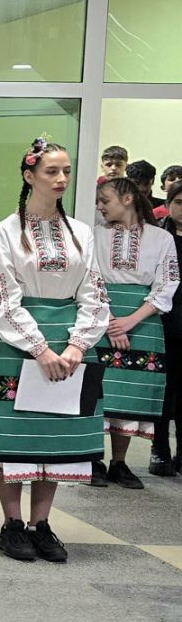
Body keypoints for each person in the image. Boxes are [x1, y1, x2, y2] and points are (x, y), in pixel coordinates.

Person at [0, 137, 110, 564]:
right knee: (16, 436)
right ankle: (12, 524)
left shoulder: (82, 233)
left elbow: (94, 293)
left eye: (66, 170)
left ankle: (42, 524)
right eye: (52, 171)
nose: (61, 178)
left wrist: (76, 345)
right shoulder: (4, 233)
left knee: (57, 434)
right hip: (19, 343)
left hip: (70, 344)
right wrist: (40, 348)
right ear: (29, 175)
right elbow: (2, 299)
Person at [87, 177, 176, 489]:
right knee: (99, 389)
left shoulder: (161, 238)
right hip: (101, 315)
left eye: (105, 200)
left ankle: (119, 462)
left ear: (127, 199)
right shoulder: (94, 235)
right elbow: (89, 278)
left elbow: (168, 282)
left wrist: (131, 321)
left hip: (143, 320)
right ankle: (93, 459)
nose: (100, 207)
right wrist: (111, 320)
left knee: (131, 392)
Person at [150, 181, 182, 477]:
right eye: (179, 202)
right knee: (164, 392)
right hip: (164, 324)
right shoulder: (159, 237)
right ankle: (159, 450)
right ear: (168, 204)